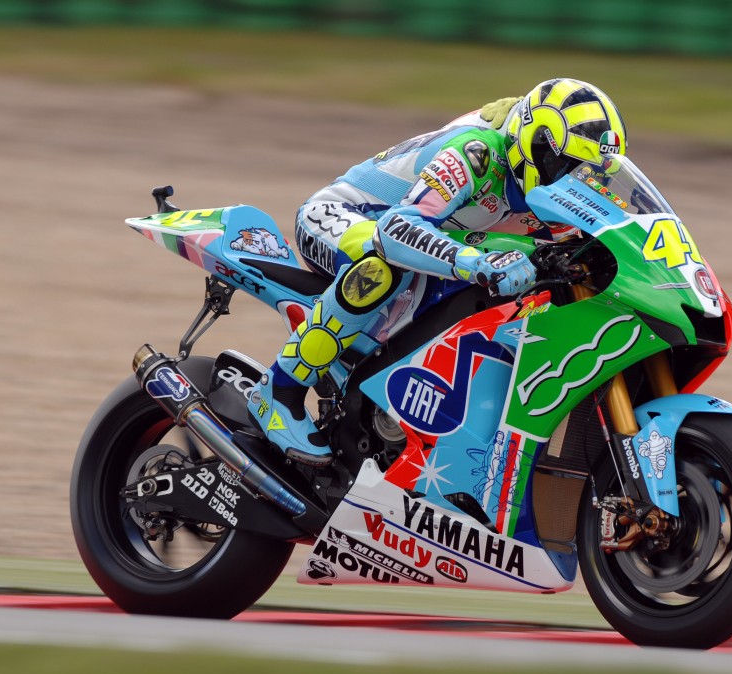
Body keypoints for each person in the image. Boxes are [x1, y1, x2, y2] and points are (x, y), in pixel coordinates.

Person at [248, 77, 628, 466]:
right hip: (344, 216)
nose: (577, 181)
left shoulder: (557, 188)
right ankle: (280, 391)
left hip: (430, 239)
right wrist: (476, 263)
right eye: (567, 167)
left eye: (590, 173)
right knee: (384, 268)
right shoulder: (478, 152)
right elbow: (394, 232)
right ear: (537, 147)